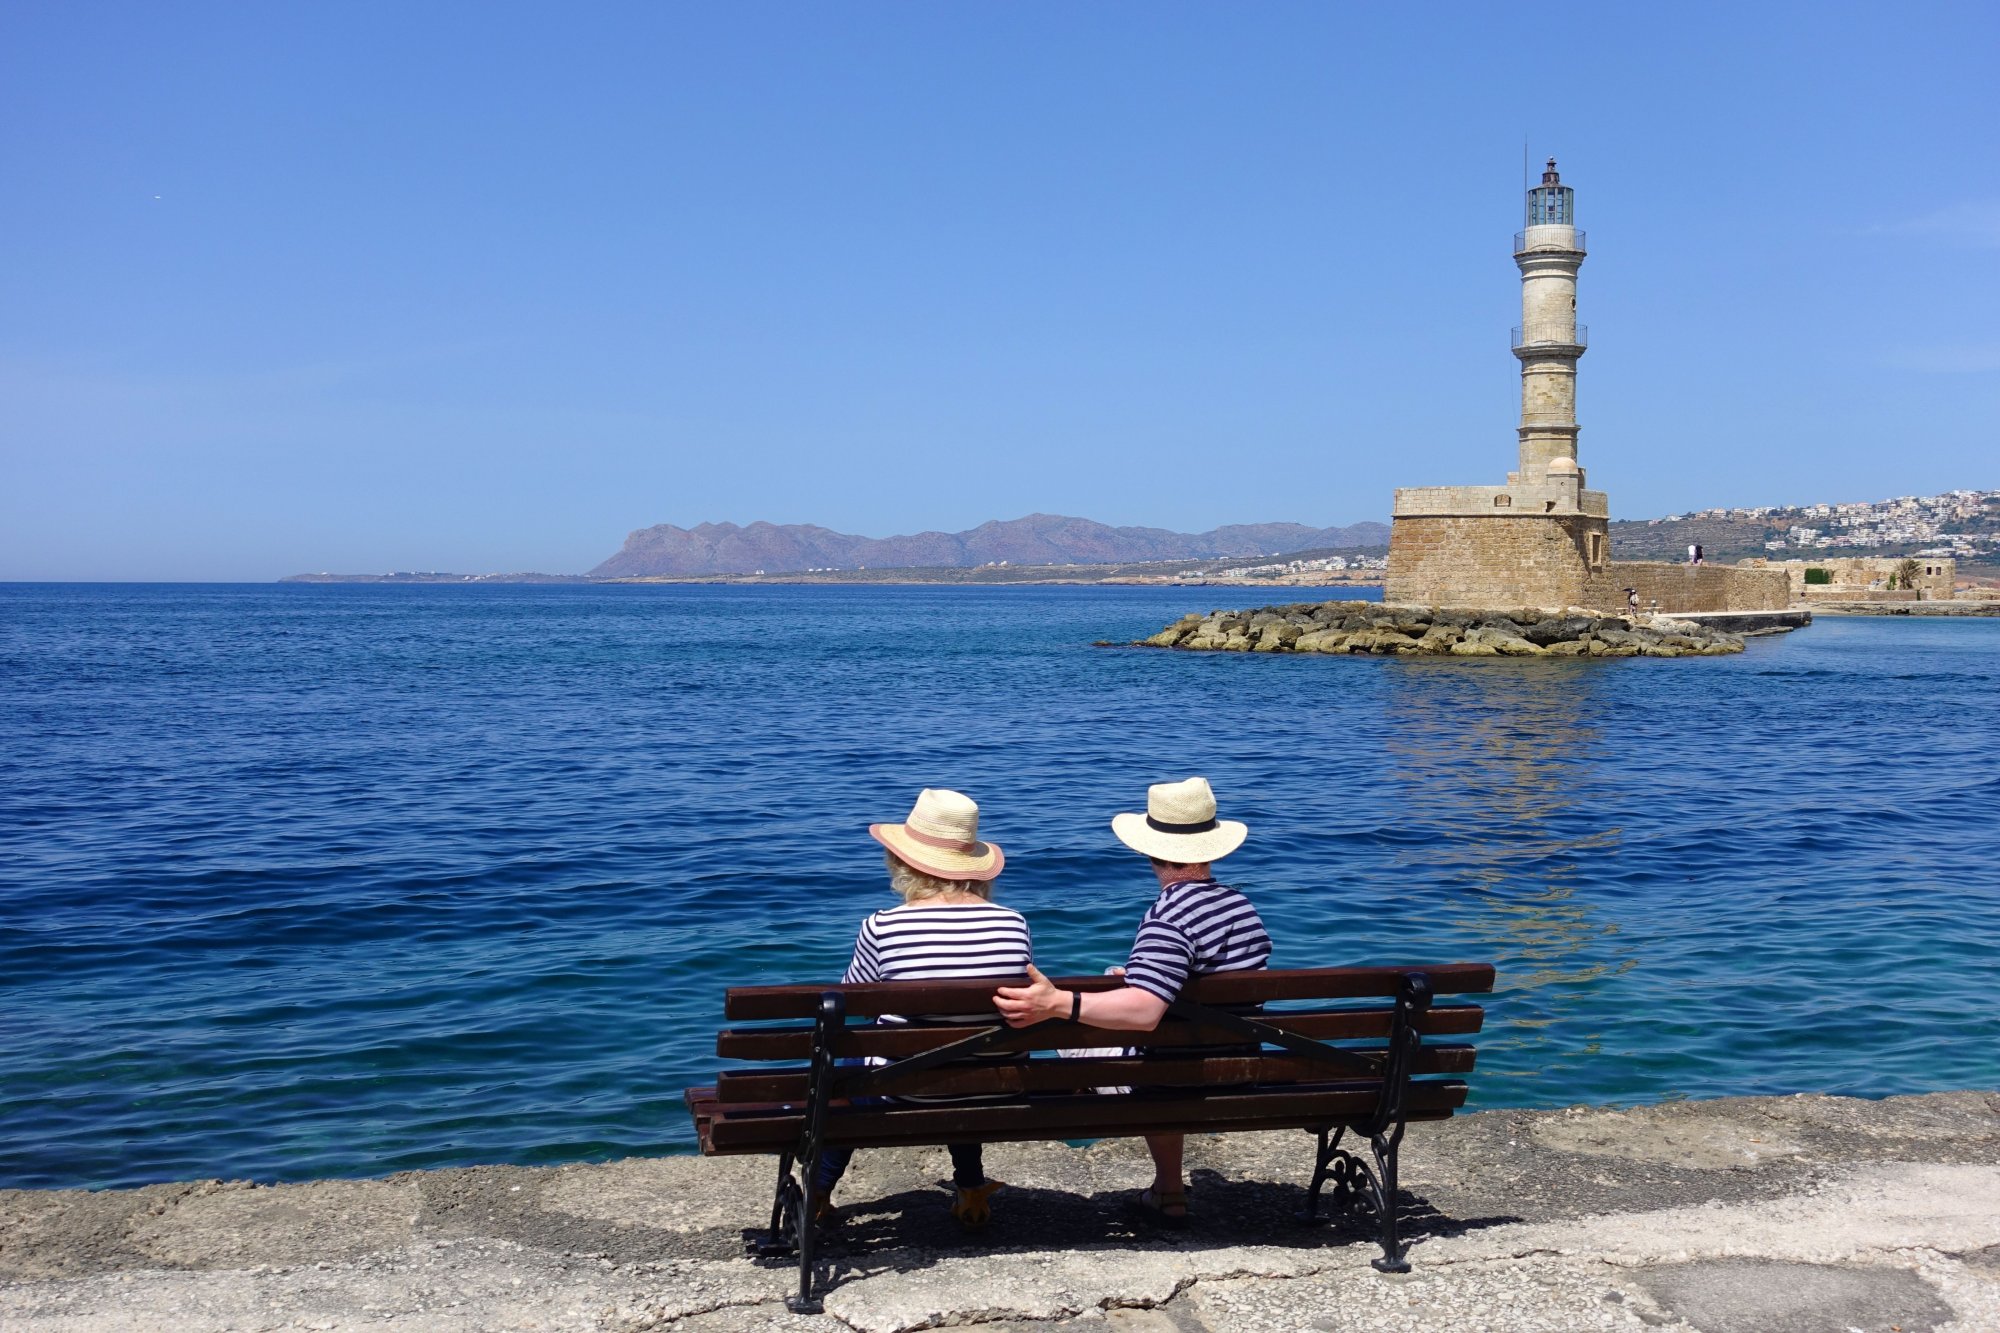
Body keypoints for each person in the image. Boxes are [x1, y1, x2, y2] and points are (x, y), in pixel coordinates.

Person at [994, 777, 1269, 1226]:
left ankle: (1161, 1183)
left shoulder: (1168, 916)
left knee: (1075, 1033)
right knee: (1124, 997)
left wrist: (1059, 1003)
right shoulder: (1240, 906)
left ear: (1149, 849)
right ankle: (1167, 1190)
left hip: (1172, 1077)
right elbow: (1214, 981)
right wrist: (1148, 980)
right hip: (1238, 1066)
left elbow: (1143, 1012)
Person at [815, 788, 1030, 1229]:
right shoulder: (1013, 921)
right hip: (996, 1085)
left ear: (904, 862)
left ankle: (818, 1193)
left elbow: (850, 1000)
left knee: (843, 1072)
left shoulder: (884, 925)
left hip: (907, 1088)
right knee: (966, 1043)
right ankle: (970, 1188)